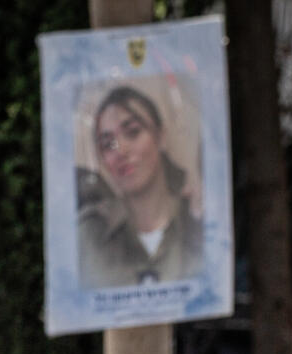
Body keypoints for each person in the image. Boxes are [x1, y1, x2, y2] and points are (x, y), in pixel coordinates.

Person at [77, 85, 206, 290]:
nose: (121, 151)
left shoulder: (198, 224)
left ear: (161, 137)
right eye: (108, 144)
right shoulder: (88, 236)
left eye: (133, 132)